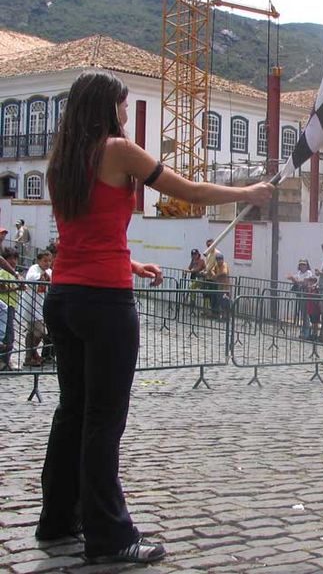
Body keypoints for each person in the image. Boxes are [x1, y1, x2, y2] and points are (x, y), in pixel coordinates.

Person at [36, 70, 272, 564]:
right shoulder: (118, 149)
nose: (126, 112)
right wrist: (246, 193)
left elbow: (81, 235)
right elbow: (189, 190)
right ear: (107, 107)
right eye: (123, 105)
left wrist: (129, 261)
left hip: (65, 296)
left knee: (72, 411)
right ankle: (111, 536)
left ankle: (58, 519)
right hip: (104, 303)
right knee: (103, 420)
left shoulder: (61, 160)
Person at [23, 250, 52, 367]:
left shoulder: (50, 271)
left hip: (40, 306)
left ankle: (29, 356)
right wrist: (41, 276)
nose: (47, 263)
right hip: (30, 305)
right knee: (39, 331)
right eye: (45, 261)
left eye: (49, 261)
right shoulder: (34, 268)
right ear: (39, 260)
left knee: (32, 332)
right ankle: (31, 354)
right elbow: (31, 277)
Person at [0, 247, 22, 370]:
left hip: (11, 305)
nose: (13, 261)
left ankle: (6, 361)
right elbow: (2, 288)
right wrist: (17, 288)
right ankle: (4, 361)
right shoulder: (3, 272)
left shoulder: (13, 272)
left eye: (15, 258)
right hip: (5, 304)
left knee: (10, 335)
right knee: (8, 335)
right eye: (10, 259)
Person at [206, 253, 231, 318]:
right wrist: (213, 273)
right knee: (218, 300)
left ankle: (225, 315)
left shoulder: (224, 265)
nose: (219, 261)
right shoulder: (217, 265)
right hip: (219, 285)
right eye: (217, 259)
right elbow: (212, 270)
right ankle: (217, 314)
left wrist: (216, 275)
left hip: (224, 286)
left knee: (224, 300)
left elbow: (224, 273)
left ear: (222, 260)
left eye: (220, 259)